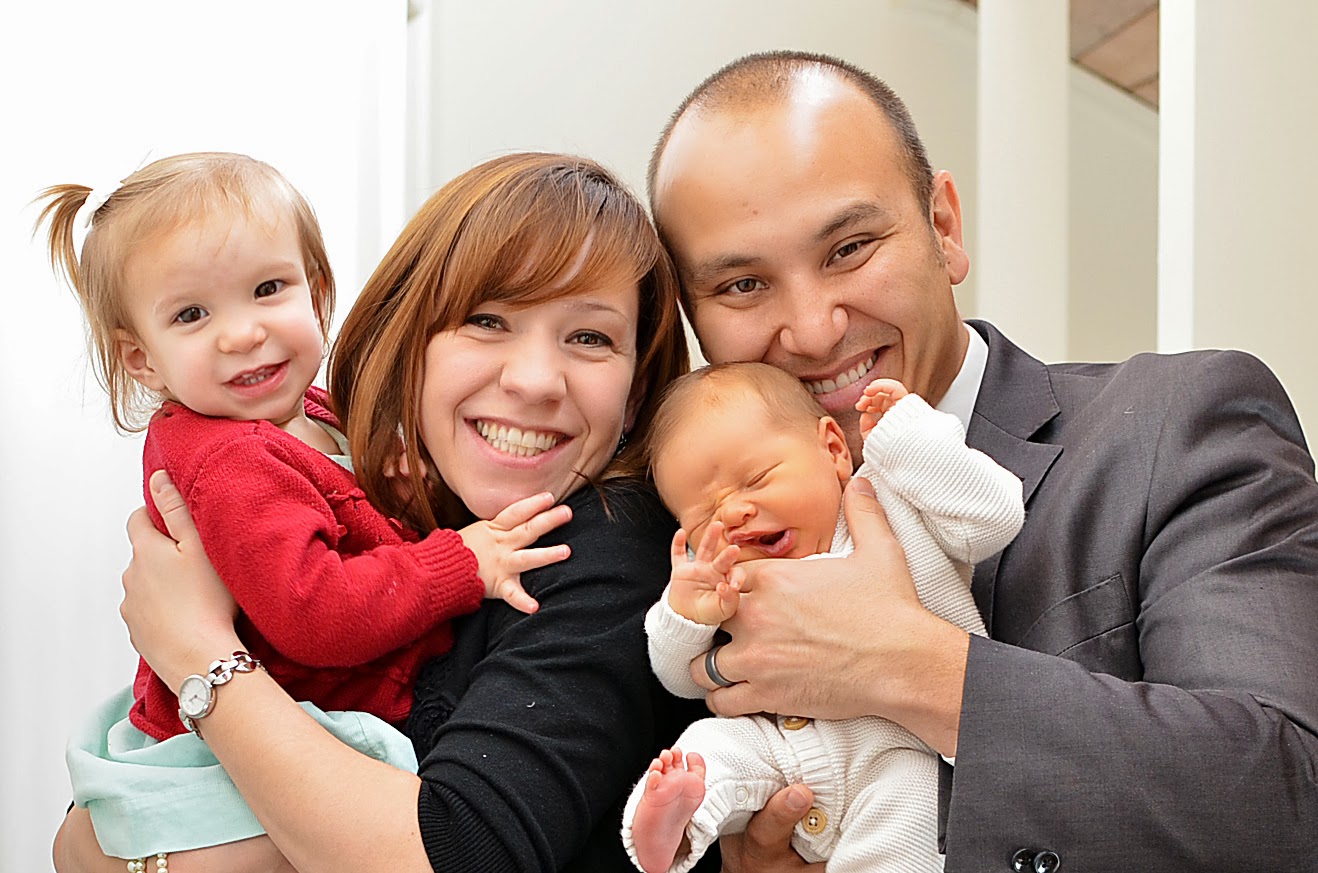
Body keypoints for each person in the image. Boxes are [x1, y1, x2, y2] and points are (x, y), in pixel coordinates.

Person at [648, 50, 1318, 871]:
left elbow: (1291, 796)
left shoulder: (1177, 423)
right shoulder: (693, 541)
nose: (815, 330)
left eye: (850, 247)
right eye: (744, 287)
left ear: (944, 228)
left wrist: (913, 669)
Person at [53, 152, 719, 872]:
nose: (533, 381)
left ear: (636, 386)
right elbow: (81, 843)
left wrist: (196, 653)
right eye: (487, 320)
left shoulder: (607, 548)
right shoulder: (252, 458)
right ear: (411, 338)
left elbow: (456, 855)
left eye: (590, 337)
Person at [621, 363, 1023, 872]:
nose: (733, 514)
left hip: (901, 745)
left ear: (833, 450)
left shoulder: (892, 501)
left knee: (913, 808)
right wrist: (686, 616)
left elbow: (994, 518)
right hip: (779, 749)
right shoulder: (721, 578)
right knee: (706, 749)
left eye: (756, 479)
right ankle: (673, 822)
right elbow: (680, 678)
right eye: (704, 516)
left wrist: (909, 439)